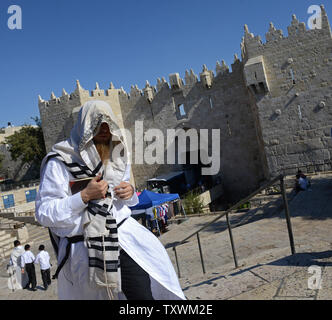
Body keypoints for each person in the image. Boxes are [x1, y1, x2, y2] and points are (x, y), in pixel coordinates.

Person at [35, 100, 185, 300]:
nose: (105, 131)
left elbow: (123, 198)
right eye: (98, 126)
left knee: (143, 296)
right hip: (85, 252)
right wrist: (84, 196)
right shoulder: (61, 161)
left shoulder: (118, 153)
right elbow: (44, 213)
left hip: (124, 241)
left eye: (108, 125)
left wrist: (130, 192)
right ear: (86, 128)